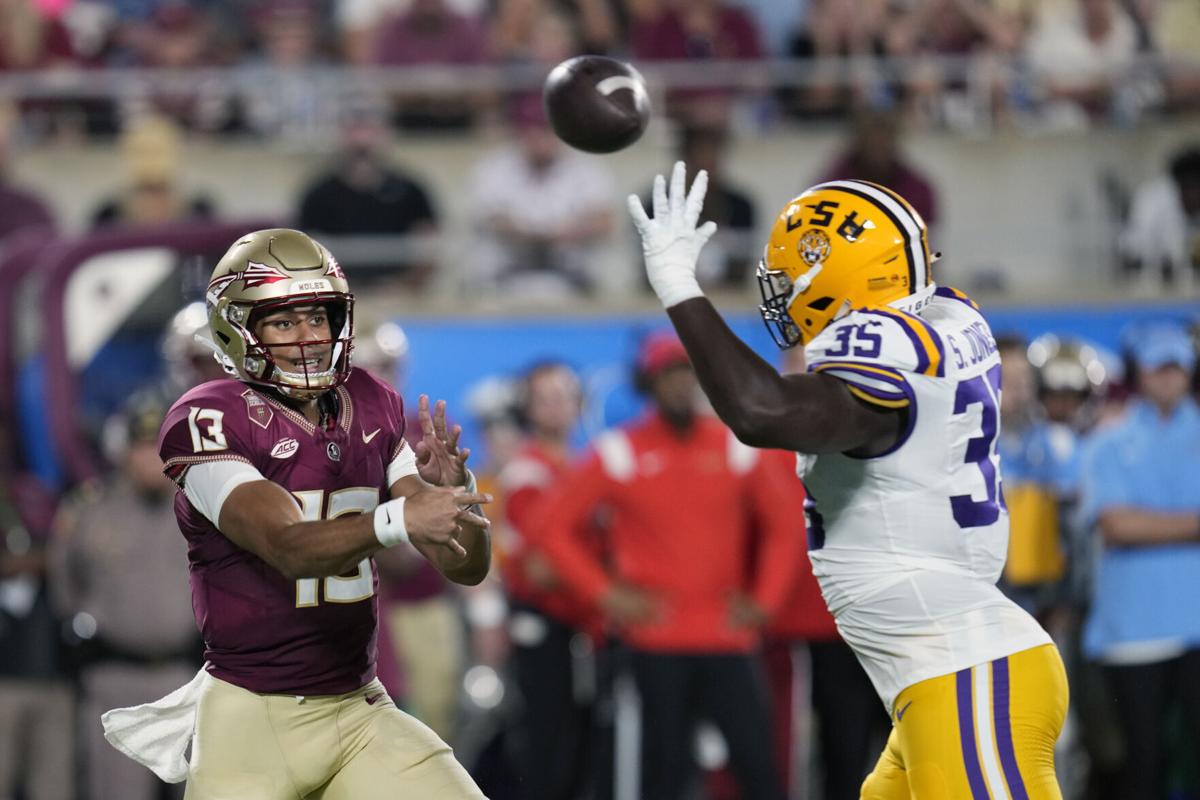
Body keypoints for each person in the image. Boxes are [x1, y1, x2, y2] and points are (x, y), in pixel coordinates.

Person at [627, 162, 1067, 798]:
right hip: (942, 675)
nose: (781, 295)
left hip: (965, 675)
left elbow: (762, 412)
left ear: (837, 276)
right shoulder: (946, 319)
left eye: (792, 277)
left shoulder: (882, 353)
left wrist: (678, 288)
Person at [100, 229, 492, 798]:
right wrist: (400, 518)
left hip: (360, 710)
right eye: (284, 322)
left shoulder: (373, 400)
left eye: (319, 317)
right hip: (253, 720)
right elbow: (288, 545)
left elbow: (464, 566)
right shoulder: (208, 415)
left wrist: (455, 499)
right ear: (238, 330)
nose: (309, 338)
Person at [535, 332, 803, 800]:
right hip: (656, 639)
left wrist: (765, 602)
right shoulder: (621, 452)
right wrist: (606, 594)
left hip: (727, 637)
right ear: (648, 383)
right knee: (664, 771)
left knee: (759, 769)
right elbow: (551, 530)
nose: (679, 386)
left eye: (686, 374)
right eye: (667, 376)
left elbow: (787, 525)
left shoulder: (734, 448)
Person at [48, 392, 199, 800]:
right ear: (124, 450)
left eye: (159, 447)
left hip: (186, 679)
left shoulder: (198, 505)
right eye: (141, 446)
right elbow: (64, 589)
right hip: (114, 680)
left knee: (198, 793)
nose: (151, 458)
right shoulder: (91, 510)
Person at [1078, 321, 1200, 800]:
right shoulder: (1109, 440)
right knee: (1142, 760)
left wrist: (1152, 523)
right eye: (1159, 369)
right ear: (1141, 375)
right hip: (1133, 630)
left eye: (1177, 368)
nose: (1168, 378)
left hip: (1193, 626)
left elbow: (1129, 522)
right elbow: (1116, 526)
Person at [498, 360, 605, 800]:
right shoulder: (527, 473)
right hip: (546, 619)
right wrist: (604, 586)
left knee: (582, 736)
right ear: (529, 409)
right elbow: (540, 567)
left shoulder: (581, 467)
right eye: (545, 398)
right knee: (548, 733)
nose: (558, 406)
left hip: (580, 620)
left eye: (564, 394)